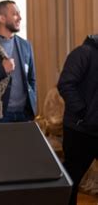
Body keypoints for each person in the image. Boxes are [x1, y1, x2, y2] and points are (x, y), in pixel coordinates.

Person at [57, 34, 98, 205]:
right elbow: (66, 84)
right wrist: (83, 112)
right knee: (71, 180)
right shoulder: (83, 52)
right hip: (80, 130)